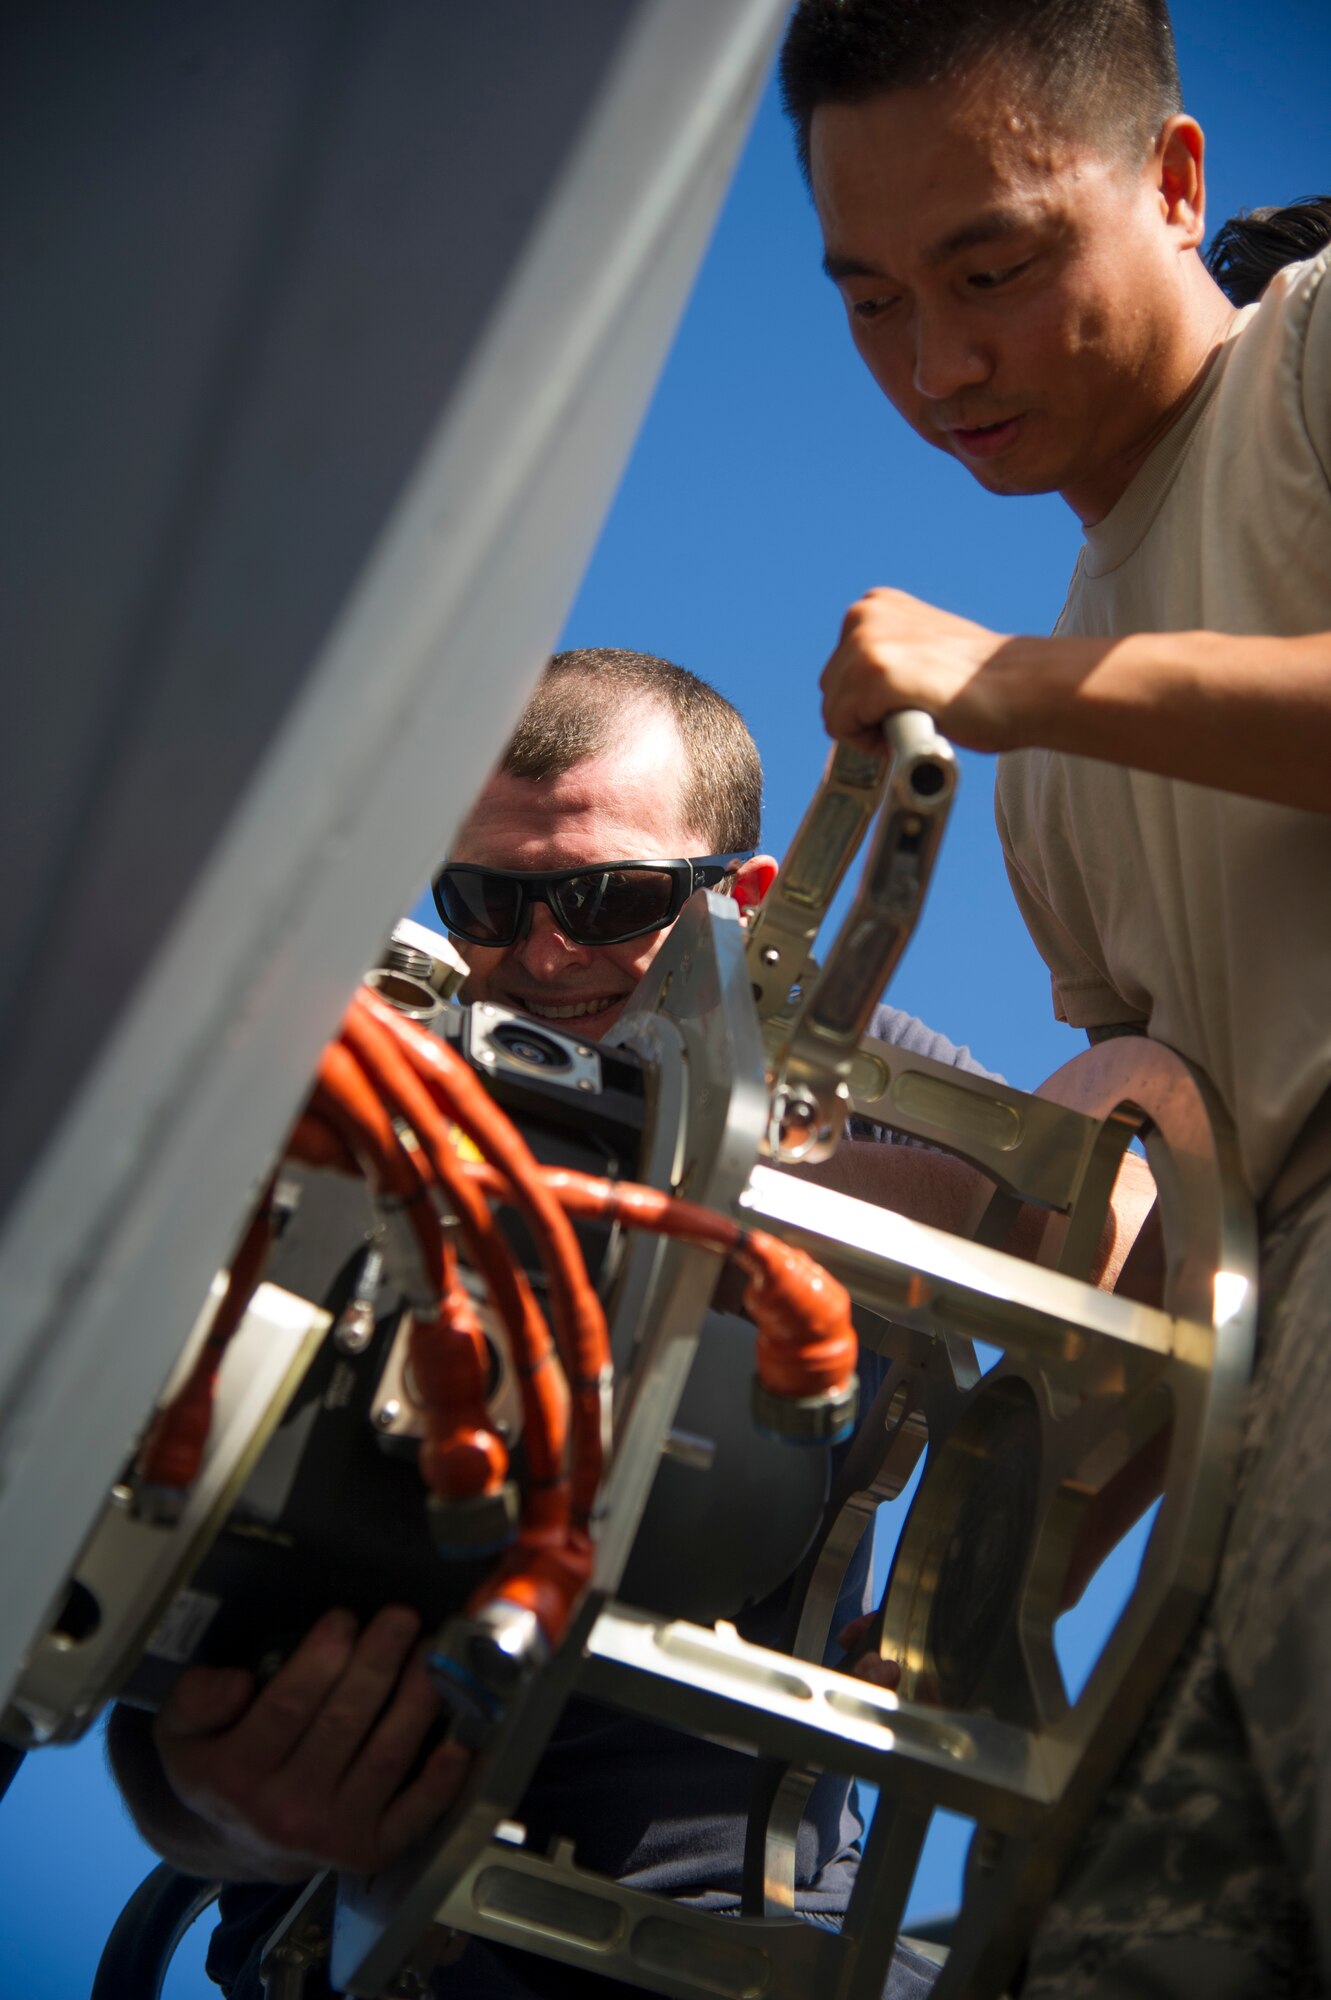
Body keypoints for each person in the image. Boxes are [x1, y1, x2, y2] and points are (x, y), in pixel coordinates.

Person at [110, 648, 992, 1997]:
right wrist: (212, 1807)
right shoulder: (347, 1087)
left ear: (744, 904)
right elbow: (146, 1610)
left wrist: (683, 1174)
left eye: (607, 899)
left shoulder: (841, 1086)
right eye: (486, 901)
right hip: (349, 1942)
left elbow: (1100, 1216)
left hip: (739, 1939)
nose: (539, 954)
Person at [778, 2, 1331, 1992]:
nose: (938, 367)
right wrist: (978, 1583)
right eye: (873, 303)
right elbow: (1182, 1228)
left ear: (1174, 182)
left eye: (992, 270)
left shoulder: (1314, 360)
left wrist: (1010, 681)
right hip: (1258, 1424)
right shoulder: (1054, 778)